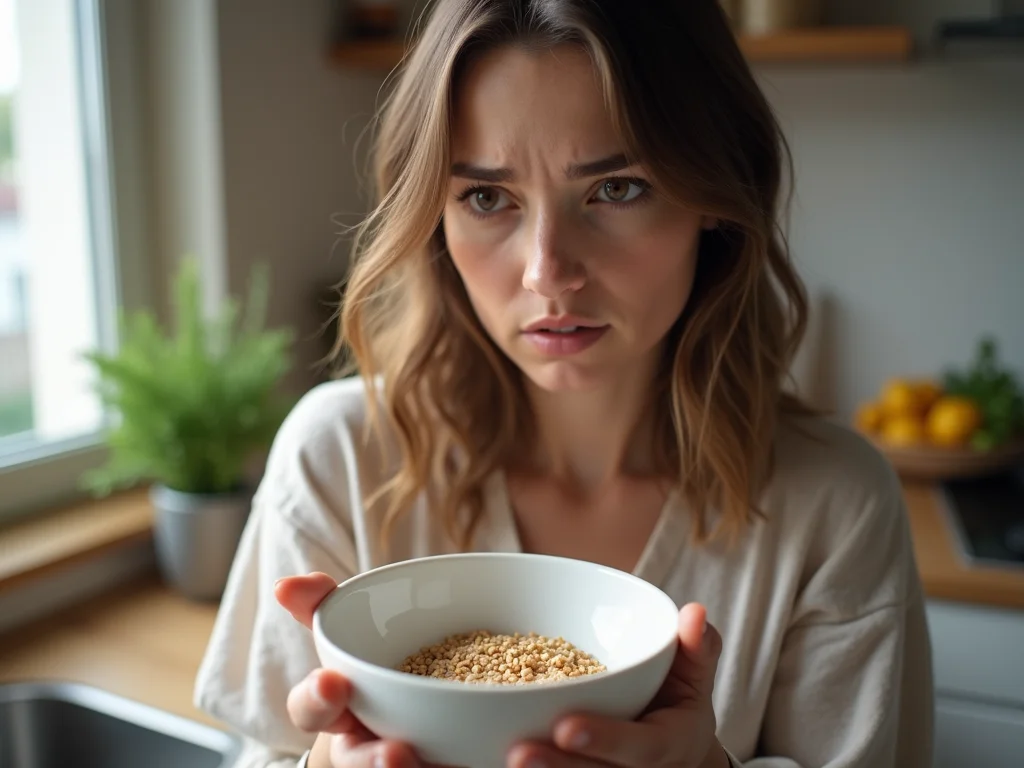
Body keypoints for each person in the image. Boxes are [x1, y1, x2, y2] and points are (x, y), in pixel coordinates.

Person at [193, 1, 935, 766]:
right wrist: (324, 761)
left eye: (617, 189)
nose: (547, 272)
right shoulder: (341, 459)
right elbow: (265, 752)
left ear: (716, 195)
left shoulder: (834, 505)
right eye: (487, 198)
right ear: (434, 215)